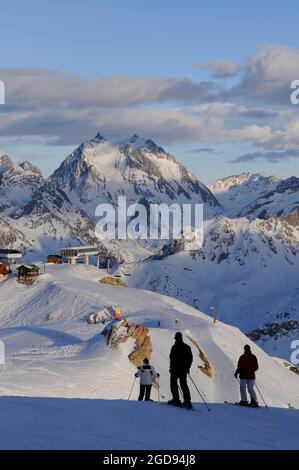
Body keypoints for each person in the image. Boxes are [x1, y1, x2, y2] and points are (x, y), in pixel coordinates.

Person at [168, 332, 193, 409]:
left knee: (173, 384)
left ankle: (176, 400)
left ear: (175, 338)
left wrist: (171, 368)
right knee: (184, 385)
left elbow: (171, 358)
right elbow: (190, 359)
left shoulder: (174, 347)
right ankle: (187, 402)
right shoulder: (187, 347)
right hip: (183, 370)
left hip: (175, 370)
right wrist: (187, 368)